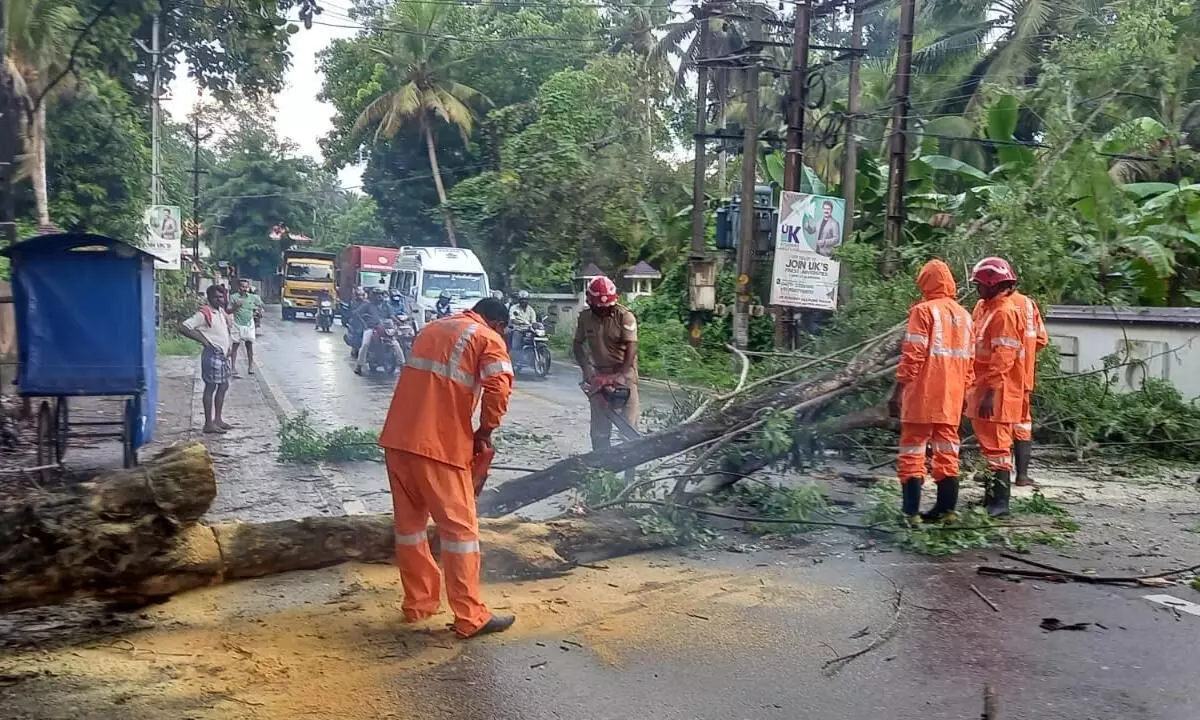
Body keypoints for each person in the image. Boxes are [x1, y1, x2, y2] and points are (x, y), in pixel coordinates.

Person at [378, 298, 515, 639]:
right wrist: (484, 431)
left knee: (410, 529)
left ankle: (418, 605)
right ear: (498, 323)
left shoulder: (431, 328)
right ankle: (470, 616)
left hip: (398, 440)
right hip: (438, 446)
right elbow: (499, 388)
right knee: (460, 533)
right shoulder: (487, 337)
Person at [887, 260, 974, 524]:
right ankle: (947, 511)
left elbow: (912, 356)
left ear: (925, 282)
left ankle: (911, 513)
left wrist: (896, 391)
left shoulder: (923, 311)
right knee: (947, 453)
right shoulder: (964, 315)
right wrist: (964, 393)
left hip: (922, 395)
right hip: (952, 397)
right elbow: (970, 362)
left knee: (913, 452)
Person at [966, 256, 1028, 518]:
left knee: (998, 447)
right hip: (983, 386)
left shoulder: (1005, 313)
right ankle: (992, 497)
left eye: (980, 284)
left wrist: (991, 393)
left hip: (998, 390)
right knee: (989, 446)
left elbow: (1003, 356)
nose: (977, 289)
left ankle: (1000, 503)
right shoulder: (985, 307)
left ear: (994, 284)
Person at [573, 276, 639, 450]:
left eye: (607, 308)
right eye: (598, 308)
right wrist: (586, 368)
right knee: (599, 430)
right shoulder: (584, 318)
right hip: (599, 374)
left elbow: (632, 347)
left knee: (628, 427)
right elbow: (577, 344)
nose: (603, 311)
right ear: (591, 303)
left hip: (623, 373)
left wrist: (621, 375)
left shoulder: (625, 317)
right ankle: (601, 468)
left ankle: (630, 474)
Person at [180, 285, 233, 434]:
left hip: (222, 355)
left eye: (221, 296)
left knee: (223, 386)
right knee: (211, 387)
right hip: (212, 355)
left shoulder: (220, 312)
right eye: (216, 297)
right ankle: (208, 423)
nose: (220, 299)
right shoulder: (204, 313)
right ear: (209, 298)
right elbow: (184, 327)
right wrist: (203, 341)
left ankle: (218, 419)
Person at [1009, 286, 1048, 486]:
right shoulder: (1028, 304)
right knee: (1022, 423)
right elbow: (1042, 339)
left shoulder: (988, 305)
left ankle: (994, 474)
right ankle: (1022, 475)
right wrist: (1027, 356)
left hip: (999, 378)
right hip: (1023, 378)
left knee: (995, 426)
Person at [354, 288, 399, 375]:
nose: (379, 296)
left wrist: (399, 322)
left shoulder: (386, 306)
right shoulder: (367, 305)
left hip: (385, 329)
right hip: (371, 328)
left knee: (395, 343)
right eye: (377, 295)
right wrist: (364, 324)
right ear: (372, 296)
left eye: (381, 294)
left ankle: (402, 364)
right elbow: (357, 313)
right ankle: (359, 366)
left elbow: (392, 316)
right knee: (365, 344)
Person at [228, 279, 264, 376]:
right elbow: (228, 310)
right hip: (237, 323)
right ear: (239, 287)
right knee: (235, 345)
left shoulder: (253, 297)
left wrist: (259, 311)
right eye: (242, 287)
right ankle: (233, 367)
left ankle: (250, 366)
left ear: (248, 288)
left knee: (249, 346)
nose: (244, 289)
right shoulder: (234, 297)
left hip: (248, 324)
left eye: (246, 287)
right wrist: (235, 307)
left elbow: (260, 306)